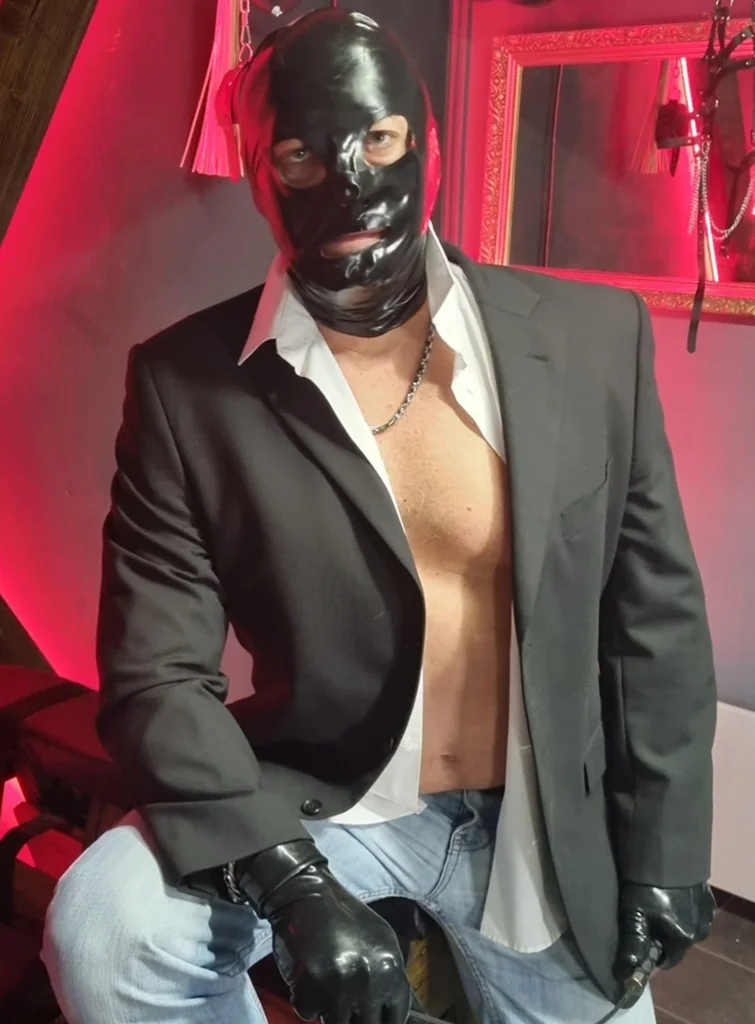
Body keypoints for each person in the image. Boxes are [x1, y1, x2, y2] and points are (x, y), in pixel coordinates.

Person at [42, 10, 717, 1024]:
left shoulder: (590, 337)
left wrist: (666, 847)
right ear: (257, 173)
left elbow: (652, 617)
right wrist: (286, 877)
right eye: (301, 155)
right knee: (106, 923)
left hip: (540, 818)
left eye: (381, 139)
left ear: (429, 140)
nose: (349, 184)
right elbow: (156, 675)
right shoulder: (185, 386)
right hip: (324, 798)